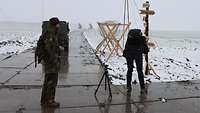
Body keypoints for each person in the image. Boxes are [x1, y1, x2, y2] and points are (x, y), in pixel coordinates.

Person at [35, 17, 61, 107]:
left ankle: (44, 100)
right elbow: (50, 49)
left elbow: (51, 47)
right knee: (51, 82)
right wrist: (54, 60)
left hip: (50, 62)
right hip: (51, 63)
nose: (59, 26)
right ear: (56, 24)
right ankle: (49, 101)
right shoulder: (50, 34)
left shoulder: (50, 32)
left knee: (48, 82)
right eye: (58, 24)